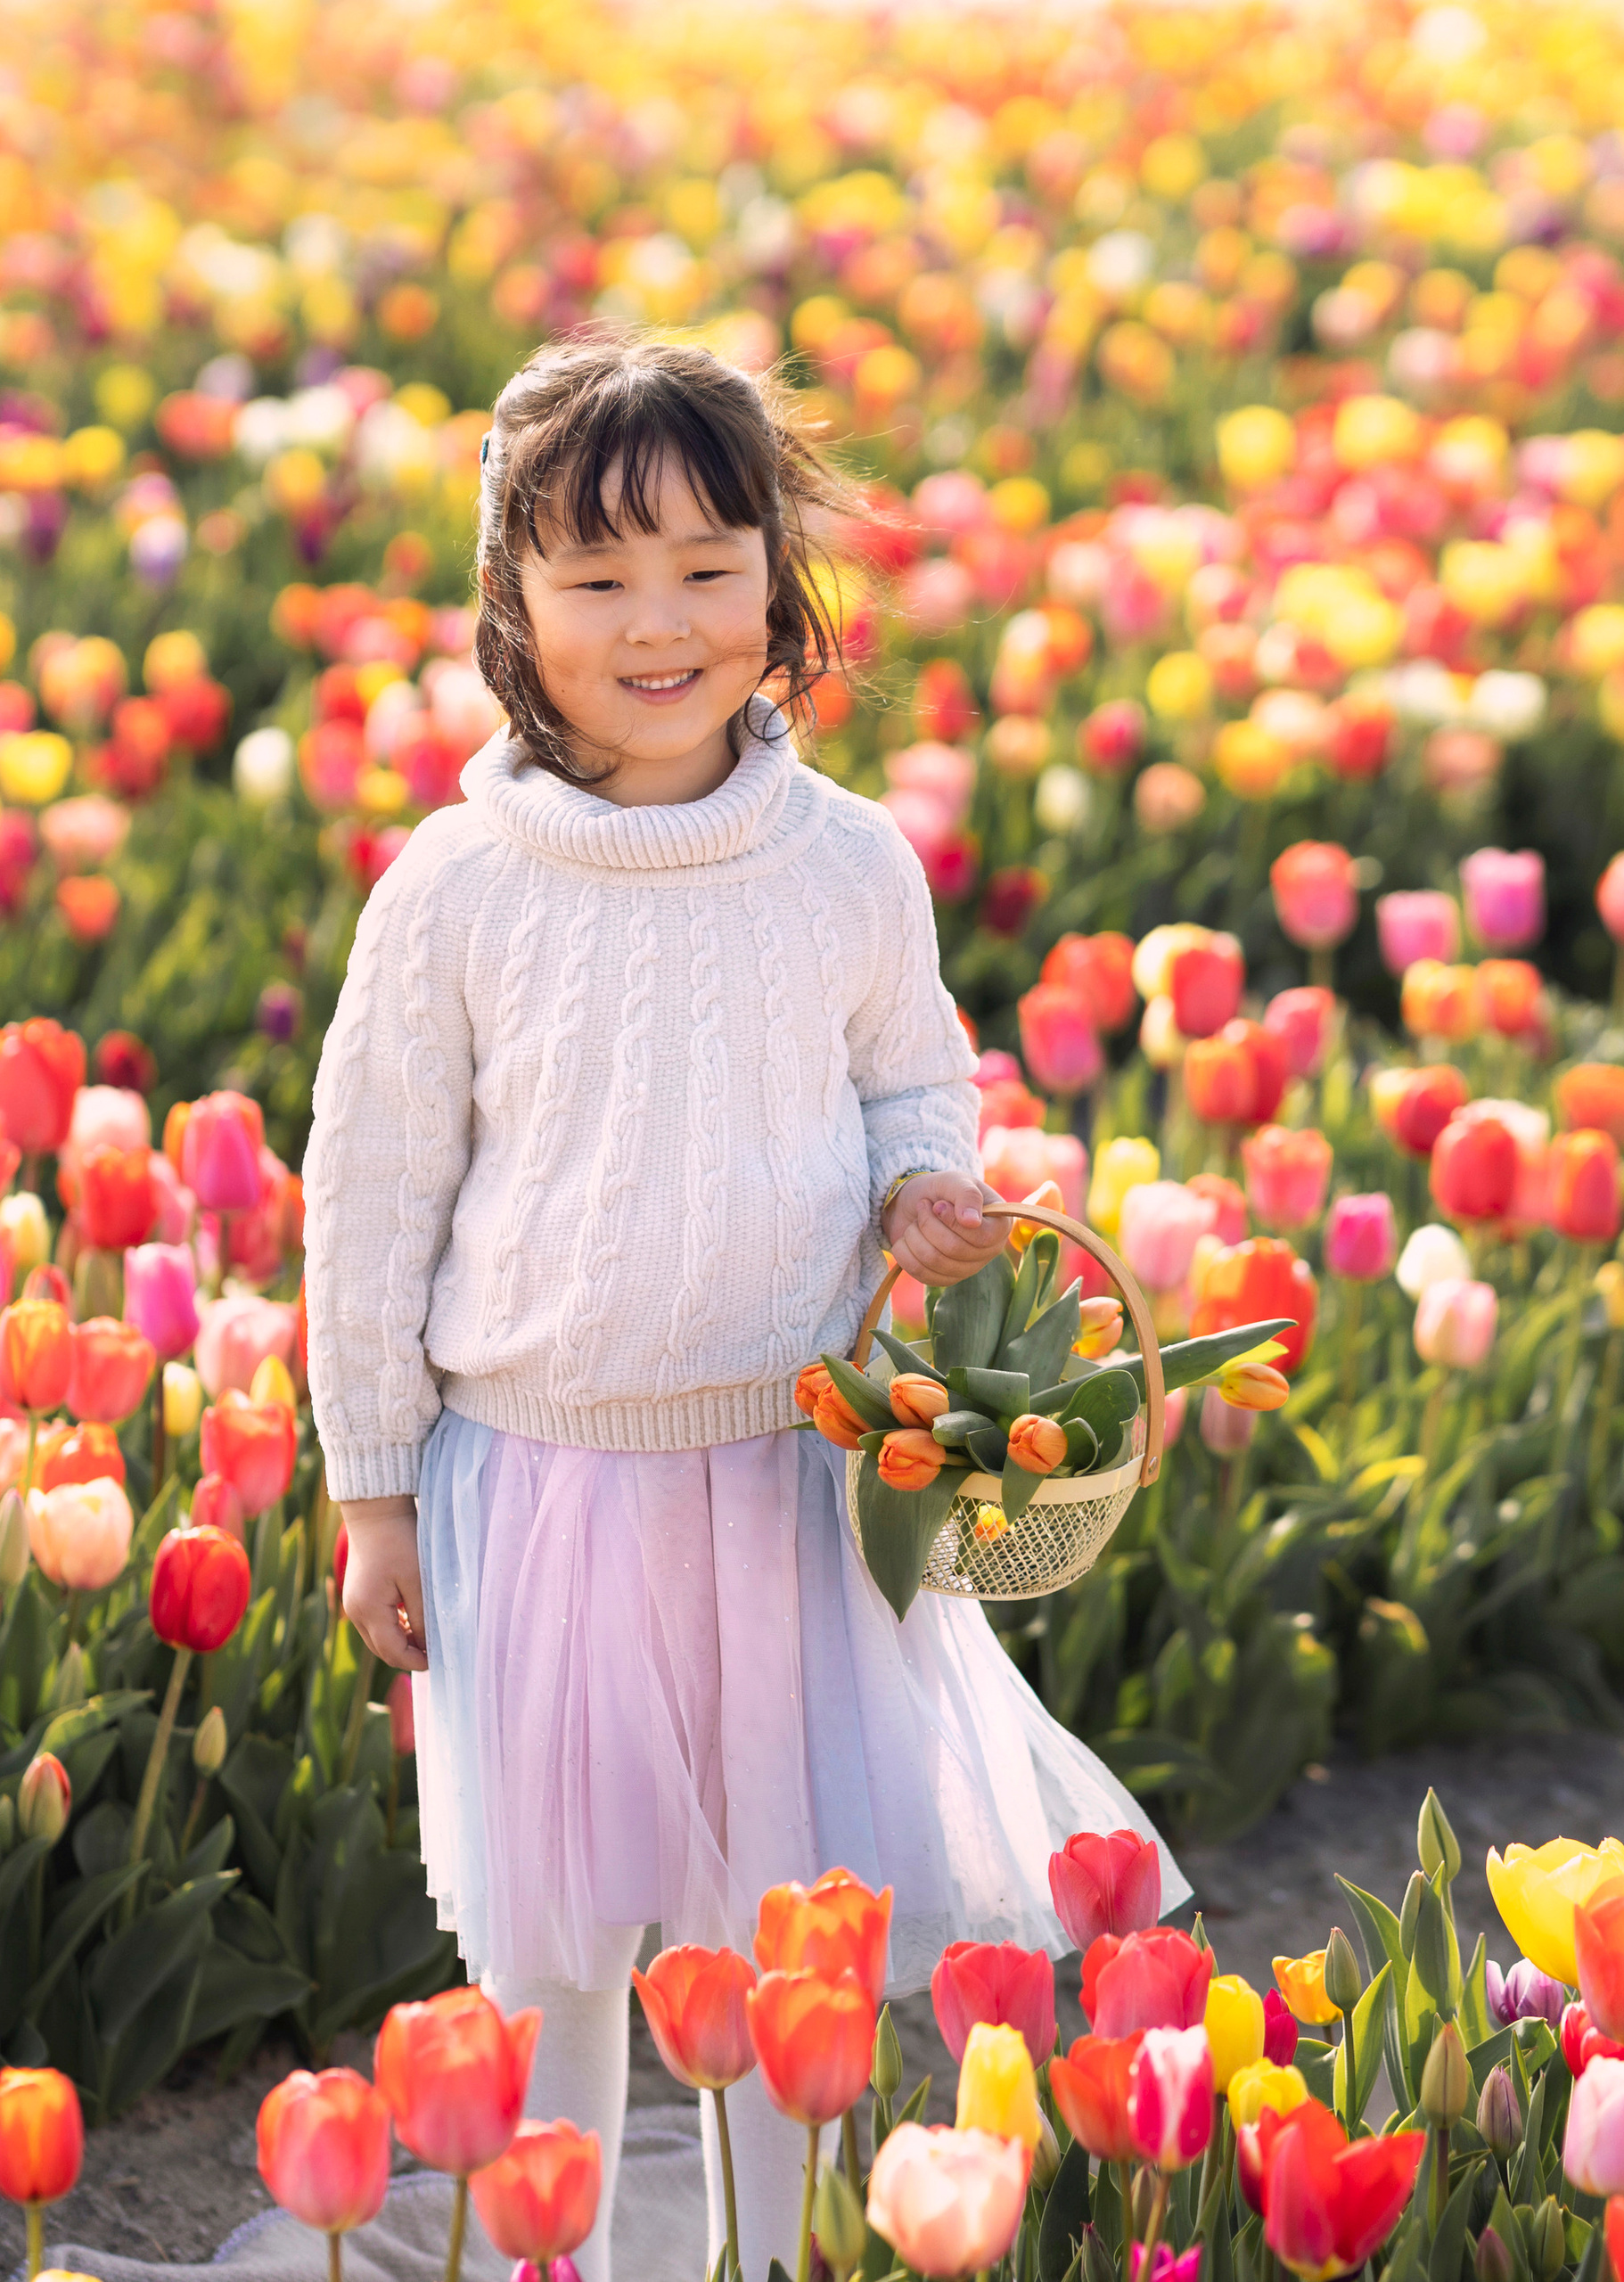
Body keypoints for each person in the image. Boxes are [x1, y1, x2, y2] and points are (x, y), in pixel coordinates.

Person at [304, 333, 1188, 2279]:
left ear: (778, 586)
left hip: (787, 1468)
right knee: (562, 1932)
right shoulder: (457, 887)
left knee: (777, 1928)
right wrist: (374, 1486)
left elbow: (909, 1079)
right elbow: (372, 1200)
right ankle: (550, 2243)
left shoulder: (843, 863)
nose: (657, 622)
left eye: (709, 566)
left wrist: (919, 1186)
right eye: (596, 577)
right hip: (538, 1474)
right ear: (510, 608)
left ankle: (763, 2253)